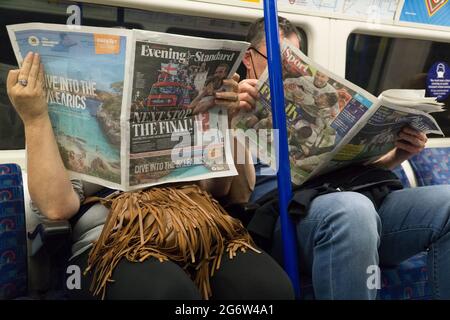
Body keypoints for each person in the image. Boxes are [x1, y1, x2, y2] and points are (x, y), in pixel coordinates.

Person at [6, 51, 294, 300]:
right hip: (115, 238)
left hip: (197, 225)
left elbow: (226, 191)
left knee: (270, 290)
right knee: (169, 294)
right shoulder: (76, 131)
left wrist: (226, 123)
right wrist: (34, 118)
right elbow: (58, 208)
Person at [237, 16, 450, 299]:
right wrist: (229, 123)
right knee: (353, 209)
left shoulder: (310, 101)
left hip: (338, 193)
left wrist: (399, 154)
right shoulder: (230, 105)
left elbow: (345, 171)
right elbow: (231, 197)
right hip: (283, 216)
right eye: (277, 60)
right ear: (249, 58)